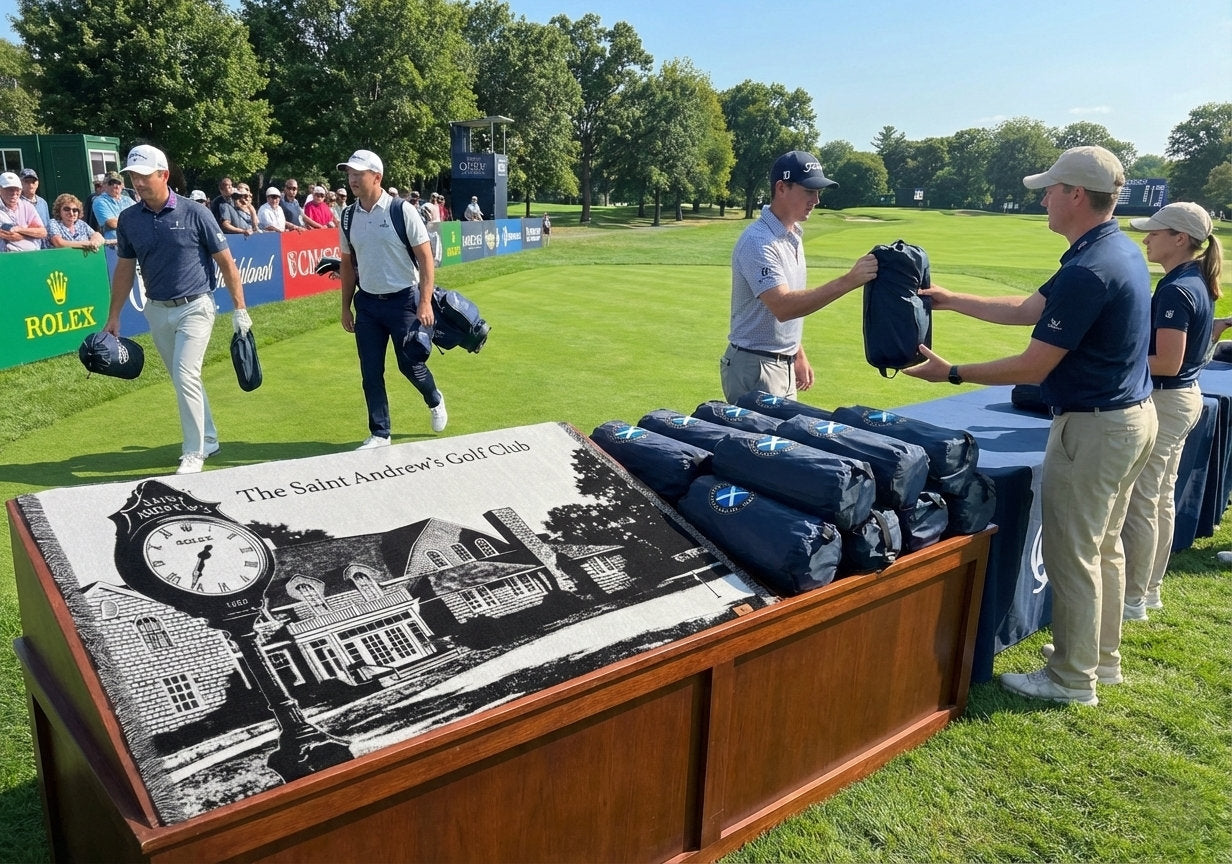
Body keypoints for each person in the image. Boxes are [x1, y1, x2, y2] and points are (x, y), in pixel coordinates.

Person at [903, 146, 1157, 707]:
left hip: (1095, 428)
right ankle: (1099, 658)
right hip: (1130, 419)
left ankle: (1072, 679)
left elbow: (1033, 366)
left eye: (1050, 190)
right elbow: (1027, 308)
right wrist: (951, 301)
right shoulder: (1109, 248)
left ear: (1075, 195)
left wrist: (953, 372)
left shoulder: (1090, 269)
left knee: (1075, 554)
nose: (1043, 199)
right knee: (1103, 547)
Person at [102, 144, 251, 475]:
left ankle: (194, 451)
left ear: (164, 175)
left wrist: (240, 309)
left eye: (144, 176)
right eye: (133, 177)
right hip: (156, 310)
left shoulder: (195, 212)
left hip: (195, 306)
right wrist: (114, 316)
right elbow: (124, 269)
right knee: (183, 378)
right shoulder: (129, 219)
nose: (138, 183)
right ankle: (209, 438)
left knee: (185, 374)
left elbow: (226, 263)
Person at [1120, 203, 1221, 618]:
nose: (1146, 239)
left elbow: (1167, 362)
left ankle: (1132, 599)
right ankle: (1148, 590)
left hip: (1167, 399)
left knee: (1144, 501)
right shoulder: (1193, 279)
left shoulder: (1177, 289)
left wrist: (1113, 361)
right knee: (1159, 498)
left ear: (1180, 239)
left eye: (1155, 233)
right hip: (1183, 399)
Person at [720, 150, 878, 402]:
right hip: (755, 367)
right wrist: (849, 281)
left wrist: (797, 353)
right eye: (809, 191)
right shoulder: (758, 242)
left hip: (782, 363)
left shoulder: (793, 234)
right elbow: (783, 306)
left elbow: (788, 305)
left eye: (818, 192)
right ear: (782, 188)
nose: (816, 200)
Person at [336, 148, 446, 447]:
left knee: (410, 365)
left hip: (403, 301)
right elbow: (347, 264)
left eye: (358, 174)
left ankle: (434, 398)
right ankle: (380, 432)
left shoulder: (401, 210)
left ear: (377, 177)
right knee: (370, 371)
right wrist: (345, 307)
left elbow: (425, 258)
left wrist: (424, 301)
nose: (352, 179)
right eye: (350, 174)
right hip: (368, 304)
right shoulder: (347, 216)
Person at [0, 171, 47, 251]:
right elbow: (13, 236)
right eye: (10, 189)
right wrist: (30, 233)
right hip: (5, 255)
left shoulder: (27, 206)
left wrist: (18, 229)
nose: (14, 193)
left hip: (32, 253)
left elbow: (42, 232)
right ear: (0, 189)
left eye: (17, 189)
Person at [93, 171, 135, 243]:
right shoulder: (99, 201)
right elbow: (112, 223)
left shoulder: (128, 200)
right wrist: (134, 220)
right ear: (104, 185)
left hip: (133, 241)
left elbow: (141, 216)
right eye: (112, 183)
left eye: (119, 183)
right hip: (114, 244)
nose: (116, 186)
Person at [19, 169, 51, 248]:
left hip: (45, 246)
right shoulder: (17, 203)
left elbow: (47, 226)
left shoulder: (42, 202)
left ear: (38, 183)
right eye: (27, 181)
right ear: (20, 183)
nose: (31, 185)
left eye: (33, 182)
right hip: (28, 245)